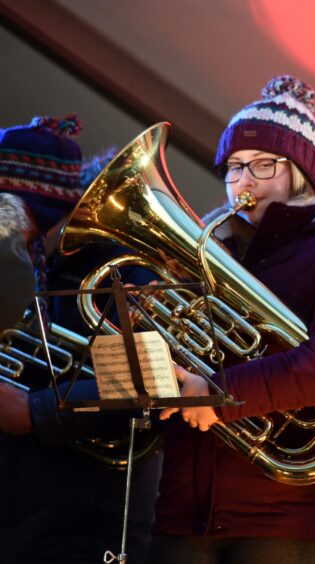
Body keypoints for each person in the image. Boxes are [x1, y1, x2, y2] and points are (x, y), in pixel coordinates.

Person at [149, 75, 315, 564]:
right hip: (185, 515)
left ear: (300, 172)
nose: (243, 180)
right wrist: (146, 329)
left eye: (262, 164)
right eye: (233, 167)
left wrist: (221, 392)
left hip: (295, 523)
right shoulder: (208, 254)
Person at [0, 115, 161, 563]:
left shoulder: (115, 271)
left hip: (87, 528)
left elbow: (143, 382)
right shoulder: (53, 271)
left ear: (31, 203)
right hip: (37, 520)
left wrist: (31, 411)